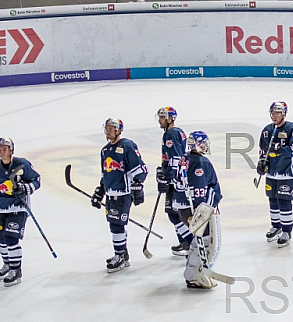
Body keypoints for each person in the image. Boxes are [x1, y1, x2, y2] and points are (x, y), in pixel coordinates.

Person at [90, 118, 148, 272]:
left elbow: (140, 168)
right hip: (111, 193)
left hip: (123, 193)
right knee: (113, 224)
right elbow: (106, 174)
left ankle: (120, 255)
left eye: (111, 128)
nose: (108, 131)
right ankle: (123, 253)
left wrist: (138, 185)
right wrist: (100, 191)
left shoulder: (127, 146)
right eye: (107, 128)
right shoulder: (105, 150)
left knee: (117, 225)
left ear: (119, 130)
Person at [0, 138, 41, 287]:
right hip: (0, 207)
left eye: (4, 149)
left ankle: (16, 270)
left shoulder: (21, 164)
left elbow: (36, 180)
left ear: (11, 150)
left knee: (10, 237)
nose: (2, 152)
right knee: (0, 237)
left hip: (18, 207)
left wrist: (24, 188)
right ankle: (8, 264)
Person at [173, 131, 222, 288]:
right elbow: (211, 187)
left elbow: (176, 182)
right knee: (205, 241)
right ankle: (194, 275)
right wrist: (207, 207)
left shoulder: (183, 159)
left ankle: (194, 273)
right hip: (197, 210)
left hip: (183, 209)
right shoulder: (203, 163)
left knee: (198, 240)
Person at [257, 101, 293, 248]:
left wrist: (281, 149)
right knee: (273, 200)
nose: (274, 116)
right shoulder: (266, 131)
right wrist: (261, 163)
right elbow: (262, 150)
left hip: (287, 173)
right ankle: (276, 226)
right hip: (272, 173)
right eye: (273, 113)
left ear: (284, 114)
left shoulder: (292, 129)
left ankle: (287, 232)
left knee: (284, 202)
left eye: (278, 113)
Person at [155, 106, 192, 256]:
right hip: (177, 178)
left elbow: (176, 158)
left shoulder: (171, 133)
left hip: (176, 180)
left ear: (171, 118)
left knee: (174, 213)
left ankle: (189, 242)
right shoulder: (177, 132)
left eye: (163, 117)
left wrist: (168, 176)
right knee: (174, 213)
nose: (160, 120)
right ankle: (185, 241)